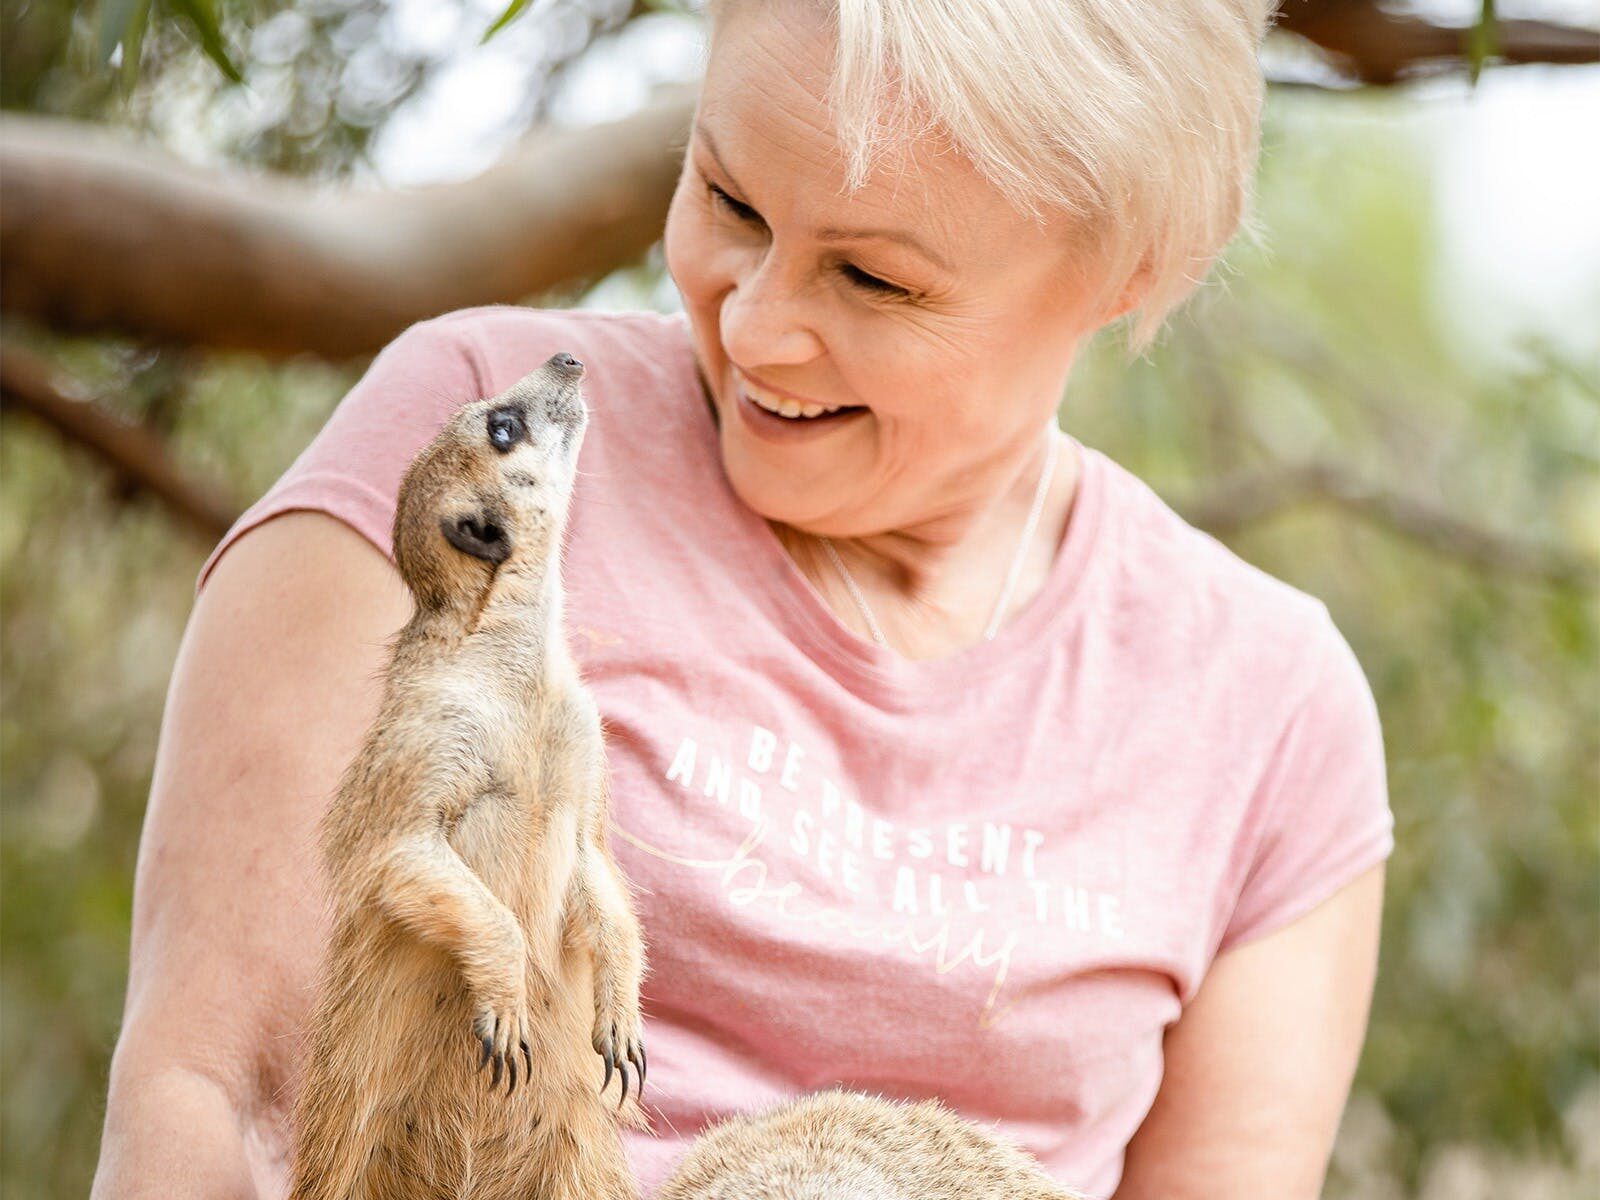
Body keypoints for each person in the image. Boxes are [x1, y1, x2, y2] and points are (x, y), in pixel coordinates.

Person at [91, 1, 1393, 1197]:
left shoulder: (1267, 708)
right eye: (728, 198)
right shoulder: (482, 456)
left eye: (875, 280)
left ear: (1133, 274)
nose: (757, 328)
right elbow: (233, 1105)